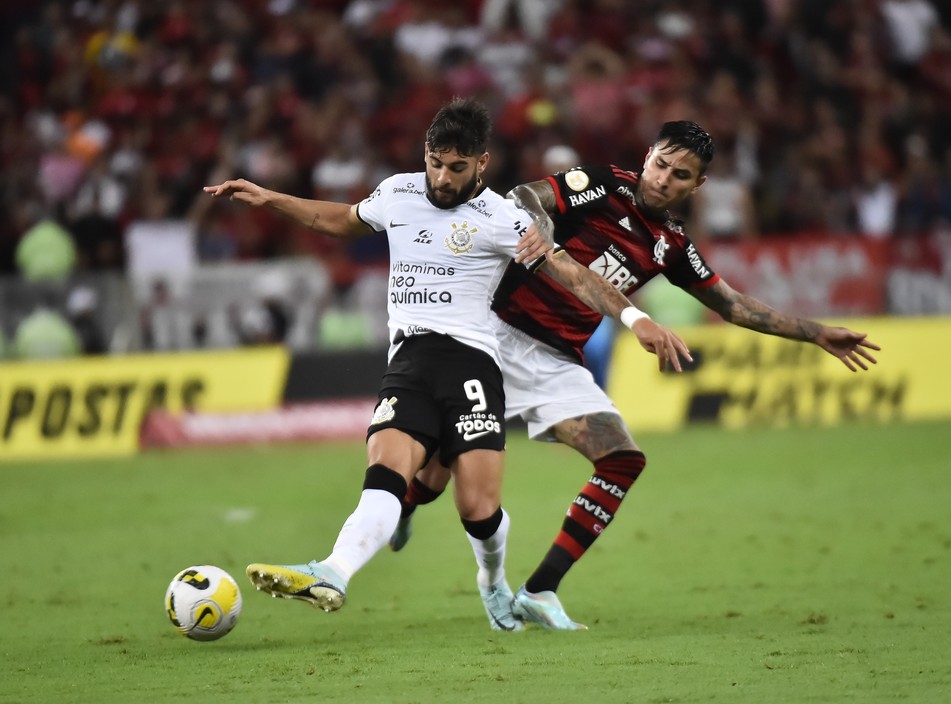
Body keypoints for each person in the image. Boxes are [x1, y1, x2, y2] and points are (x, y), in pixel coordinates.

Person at [203, 98, 689, 631]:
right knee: (384, 477)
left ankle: (493, 582)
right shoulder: (398, 192)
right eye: (435, 162)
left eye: (457, 167)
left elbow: (571, 272)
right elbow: (338, 219)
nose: (441, 177)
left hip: (474, 365)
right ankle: (333, 572)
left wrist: (636, 319)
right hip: (410, 360)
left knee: (477, 509)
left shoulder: (504, 218)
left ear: (482, 163)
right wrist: (269, 197)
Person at [393, 120, 882, 630]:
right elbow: (525, 195)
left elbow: (733, 305)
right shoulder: (604, 184)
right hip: (491, 334)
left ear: (697, 185)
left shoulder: (672, 243)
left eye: (680, 175)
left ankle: (539, 589)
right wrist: (546, 236)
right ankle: (403, 506)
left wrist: (815, 332)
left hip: (553, 359)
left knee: (622, 459)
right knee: (435, 472)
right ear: (648, 156)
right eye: (661, 164)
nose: (664, 179)